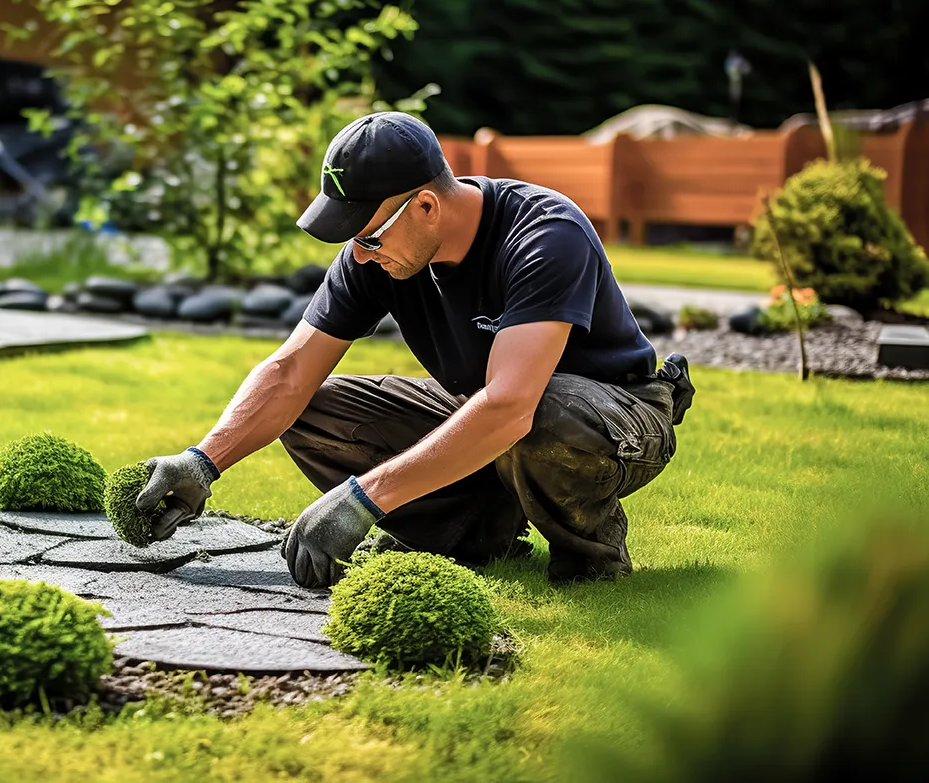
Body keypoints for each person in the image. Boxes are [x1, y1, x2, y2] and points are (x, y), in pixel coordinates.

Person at [135, 111, 695, 588]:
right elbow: (289, 372)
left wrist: (361, 499)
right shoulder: (380, 252)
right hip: (489, 407)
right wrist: (202, 462)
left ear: (426, 206)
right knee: (307, 407)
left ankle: (591, 558)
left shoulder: (546, 234)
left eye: (366, 236)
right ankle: (472, 536)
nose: (356, 256)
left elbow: (510, 405)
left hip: (614, 421)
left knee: (541, 412)